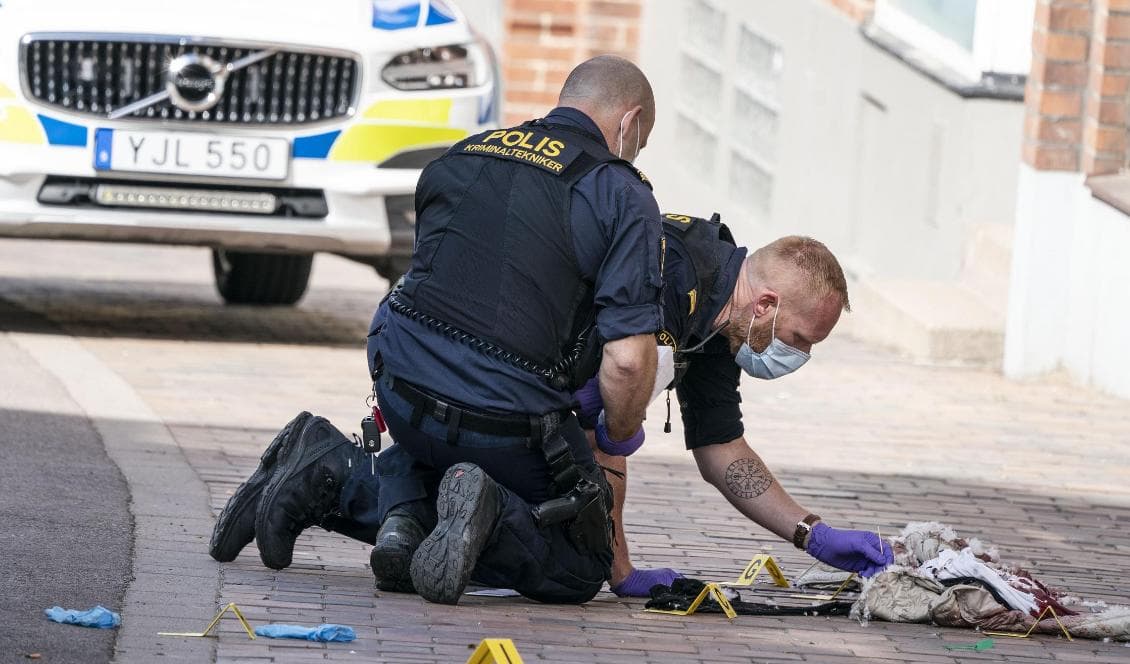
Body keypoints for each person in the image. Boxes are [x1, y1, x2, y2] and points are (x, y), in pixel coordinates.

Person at [210, 54, 665, 605]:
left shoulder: (463, 154)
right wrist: (618, 431)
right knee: (577, 561)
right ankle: (489, 511)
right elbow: (628, 361)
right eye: (640, 141)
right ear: (629, 122)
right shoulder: (622, 193)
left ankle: (329, 471)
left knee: (445, 485)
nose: (634, 151)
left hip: (399, 388)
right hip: (504, 418)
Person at [572, 213, 893, 597]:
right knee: (567, 574)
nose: (800, 354)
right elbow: (604, 432)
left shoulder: (725, 317)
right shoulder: (669, 275)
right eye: (800, 338)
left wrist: (814, 534)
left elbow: (721, 448)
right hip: (504, 385)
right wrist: (620, 570)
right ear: (765, 305)